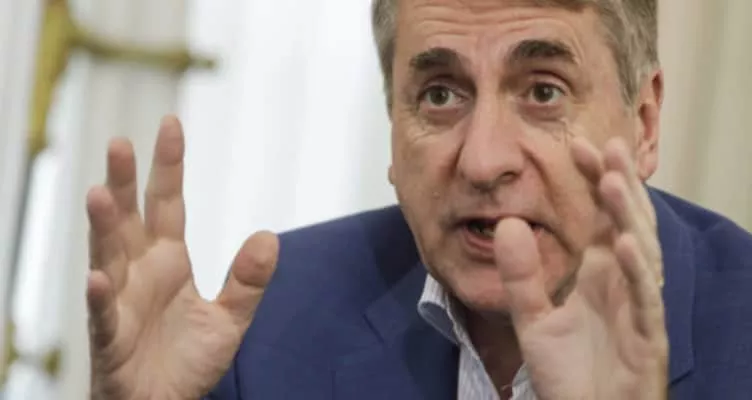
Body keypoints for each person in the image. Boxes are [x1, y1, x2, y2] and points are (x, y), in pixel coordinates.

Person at [84, 0, 752, 399]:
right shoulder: (274, 320)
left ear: (644, 123)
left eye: (543, 91)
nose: (483, 160)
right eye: (440, 95)